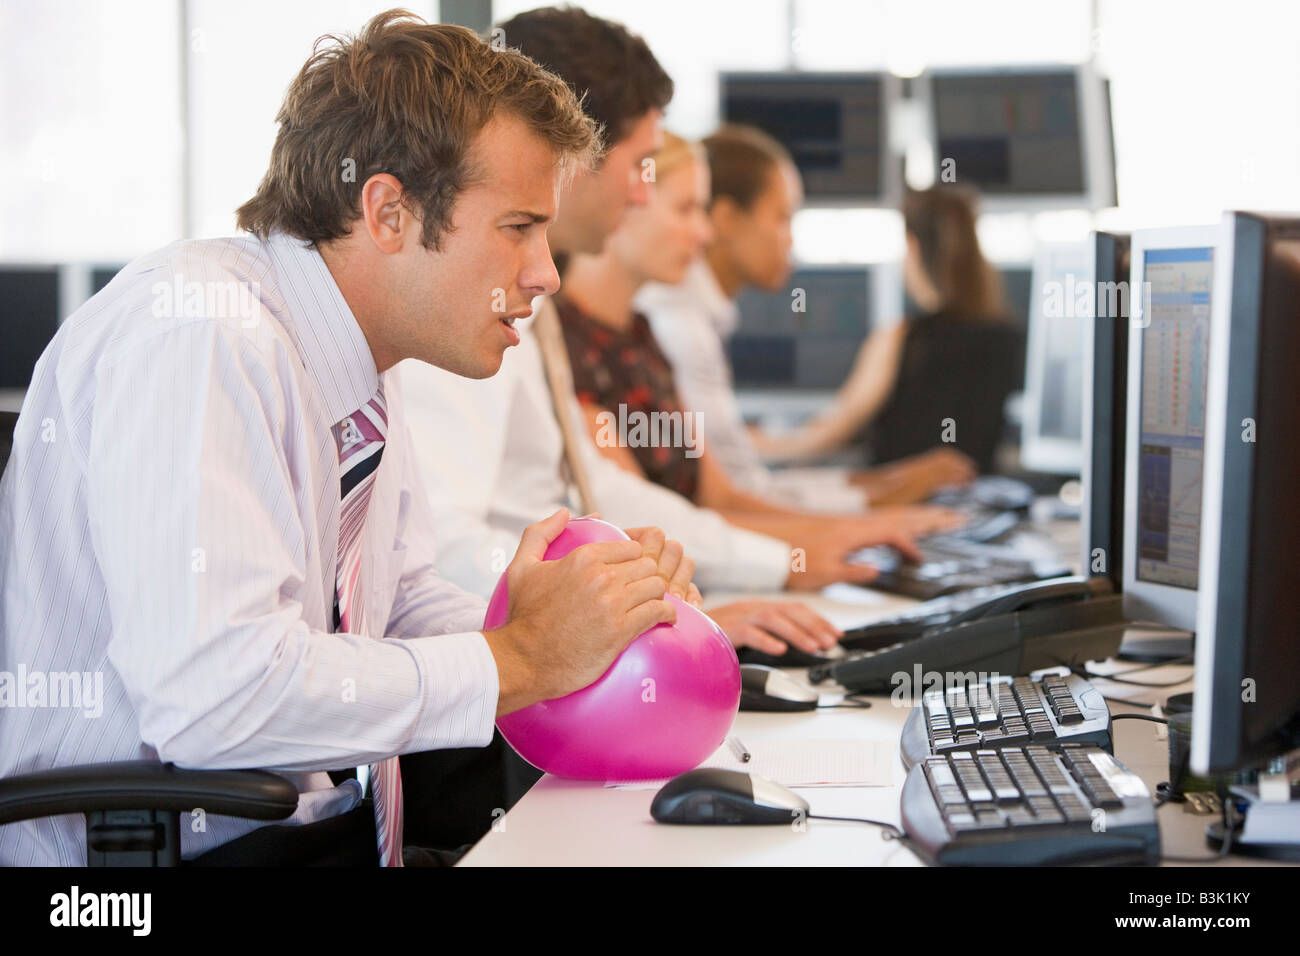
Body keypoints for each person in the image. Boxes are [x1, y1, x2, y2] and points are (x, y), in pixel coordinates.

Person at [0, 13, 694, 867]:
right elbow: (214, 697)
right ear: (389, 212)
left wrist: (577, 618)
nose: (547, 272)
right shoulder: (199, 337)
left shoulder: (352, 358)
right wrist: (514, 657)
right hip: (152, 867)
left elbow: (395, 607)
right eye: (518, 228)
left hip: (299, 844)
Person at [400, 9, 959, 624]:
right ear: (569, 152)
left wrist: (763, 569)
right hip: (508, 658)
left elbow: (592, 491)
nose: (641, 194)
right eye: (643, 166)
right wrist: (666, 614)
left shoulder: (540, 304)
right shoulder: (464, 300)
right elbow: (448, 550)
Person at [556, 133, 966, 546]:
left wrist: (870, 518)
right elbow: (652, 521)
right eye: (686, 210)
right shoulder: (593, 341)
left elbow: (722, 494)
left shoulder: (642, 336)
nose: (703, 234)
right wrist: (855, 528)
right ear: (625, 199)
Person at [638, 124, 976, 508]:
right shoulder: (679, 328)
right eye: (782, 218)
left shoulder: (695, 319)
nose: (791, 239)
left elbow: (748, 486)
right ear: (728, 219)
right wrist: (885, 497)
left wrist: (886, 483)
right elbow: (743, 499)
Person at [751, 185, 1024, 475]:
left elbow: (825, 436)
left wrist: (752, 442)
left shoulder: (901, 339)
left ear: (913, 247)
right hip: (977, 501)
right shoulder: (1009, 337)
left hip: (899, 502)